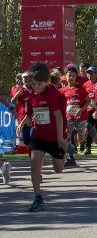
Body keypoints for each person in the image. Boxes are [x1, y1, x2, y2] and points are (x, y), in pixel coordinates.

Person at [17, 62, 67, 212]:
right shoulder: (32, 94)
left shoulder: (52, 95)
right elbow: (31, 111)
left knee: (58, 169)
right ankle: (38, 198)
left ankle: (65, 151)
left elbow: (58, 117)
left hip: (55, 137)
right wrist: (24, 121)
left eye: (39, 84)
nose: (35, 87)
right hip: (39, 136)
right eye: (33, 84)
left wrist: (60, 138)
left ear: (47, 82)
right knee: (34, 163)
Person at [59, 64, 91, 166]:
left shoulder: (80, 88)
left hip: (81, 117)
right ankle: (70, 157)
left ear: (76, 76)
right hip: (68, 117)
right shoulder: (62, 90)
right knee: (67, 135)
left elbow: (88, 100)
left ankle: (85, 133)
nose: (71, 77)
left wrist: (81, 110)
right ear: (65, 76)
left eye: (73, 75)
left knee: (81, 138)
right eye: (69, 75)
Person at [82, 67, 97, 154]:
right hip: (89, 110)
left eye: (91, 73)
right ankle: (87, 147)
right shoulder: (85, 84)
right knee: (88, 127)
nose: (89, 75)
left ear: (96, 74)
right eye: (88, 73)